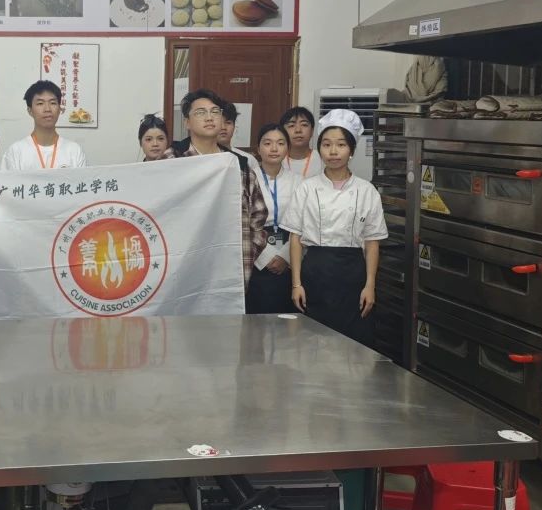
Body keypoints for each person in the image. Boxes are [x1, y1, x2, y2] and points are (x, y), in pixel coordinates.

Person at [281, 109, 388, 344]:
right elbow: (295, 238)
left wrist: (370, 285)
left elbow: (372, 242)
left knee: (354, 344)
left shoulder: (366, 190)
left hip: (353, 275)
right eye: (327, 144)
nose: (333, 151)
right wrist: (296, 284)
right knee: (311, 341)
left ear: (351, 150)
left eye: (341, 145)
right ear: (319, 149)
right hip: (315, 272)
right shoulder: (307, 188)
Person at [166, 90, 269, 308]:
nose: (209, 117)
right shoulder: (172, 159)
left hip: (229, 271)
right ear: (187, 122)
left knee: (226, 327)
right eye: (200, 112)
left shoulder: (239, 164)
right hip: (182, 270)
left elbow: (258, 216)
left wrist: (245, 253)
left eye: (215, 112)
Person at [247, 123, 301, 314]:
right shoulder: (247, 179)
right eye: (267, 143)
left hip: (290, 246)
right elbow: (242, 221)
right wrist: (266, 256)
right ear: (258, 148)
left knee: (286, 313)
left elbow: (303, 222)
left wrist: (285, 256)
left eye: (280, 143)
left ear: (287, 148)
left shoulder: (299, 181)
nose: (274, 148)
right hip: (255, 249)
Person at [1, 80, 88, 170]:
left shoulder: (74, 151)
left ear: (59, 109)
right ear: (30, 111)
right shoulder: (15, 151)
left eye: (53, 103)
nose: (47, 109)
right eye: (40, 103)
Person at [280, 106, 323, 179]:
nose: (298, 130)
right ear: (282, 132)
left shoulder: (322, 159)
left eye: (304, 125)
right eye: (291, 125)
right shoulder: (278, 159)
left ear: (312, 131)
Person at [217, 100, 259, 169]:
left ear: (234, 126)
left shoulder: (248, 160)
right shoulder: (203, 158)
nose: (223, 127)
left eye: (228, 123)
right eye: (219, 123)